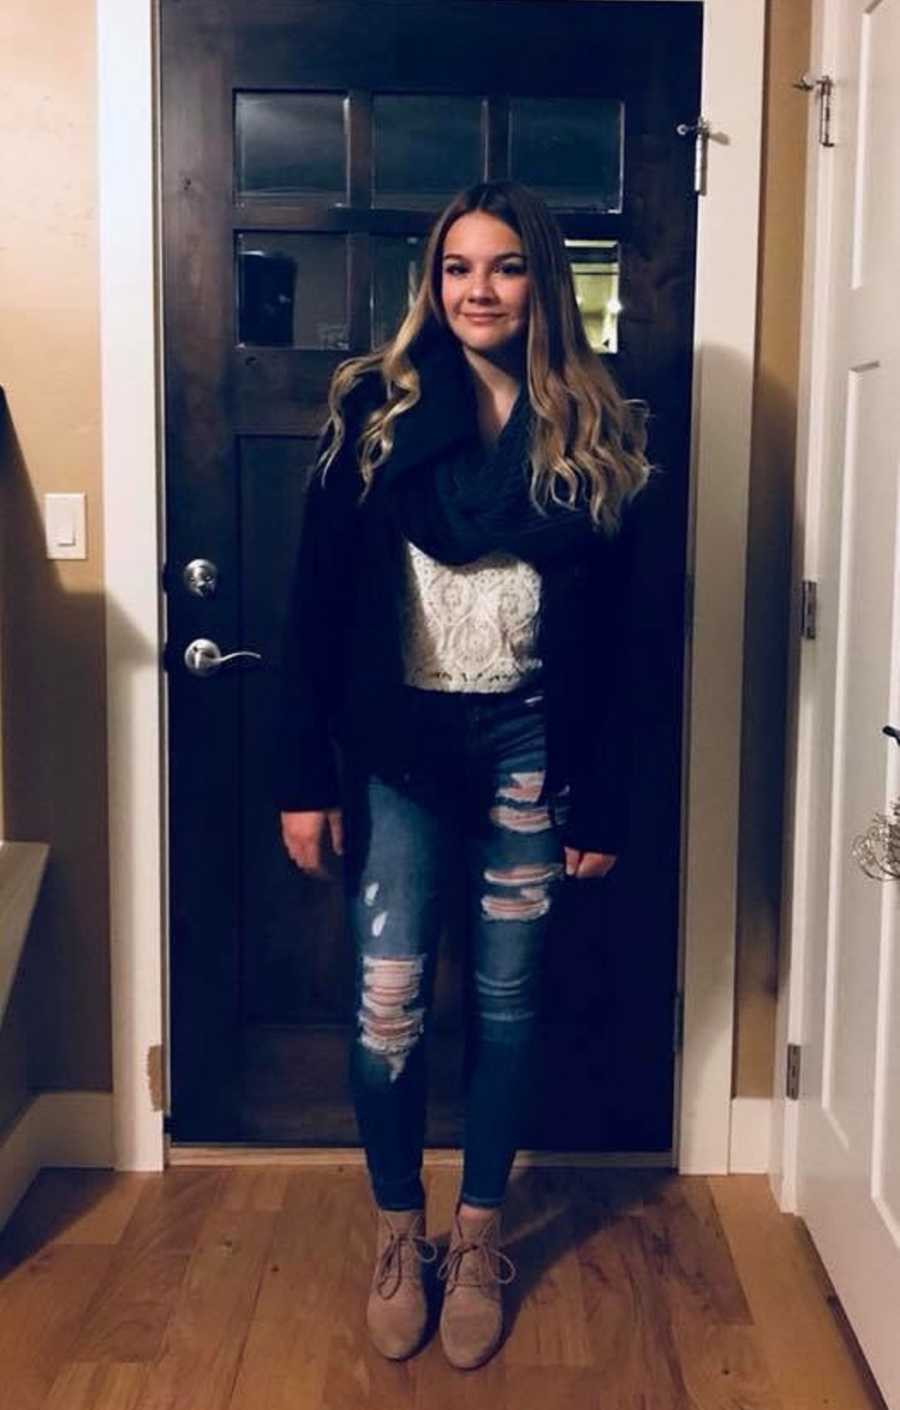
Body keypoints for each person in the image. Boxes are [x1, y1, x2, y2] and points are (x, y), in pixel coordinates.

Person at [276, 180, 654, 1371]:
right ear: (430, 284)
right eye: (455, 268)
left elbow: (633, 636)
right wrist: (302, 774)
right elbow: (315, 600)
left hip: (531, 747)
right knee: (388, 1005)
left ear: (541, 281)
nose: (476, 291)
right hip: (397, 750)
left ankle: (481, 1235)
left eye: (502, 268)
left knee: (505, 1002)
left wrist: (604, 789)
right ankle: (403, 1233)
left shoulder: (593, 424)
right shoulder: (376, 409)